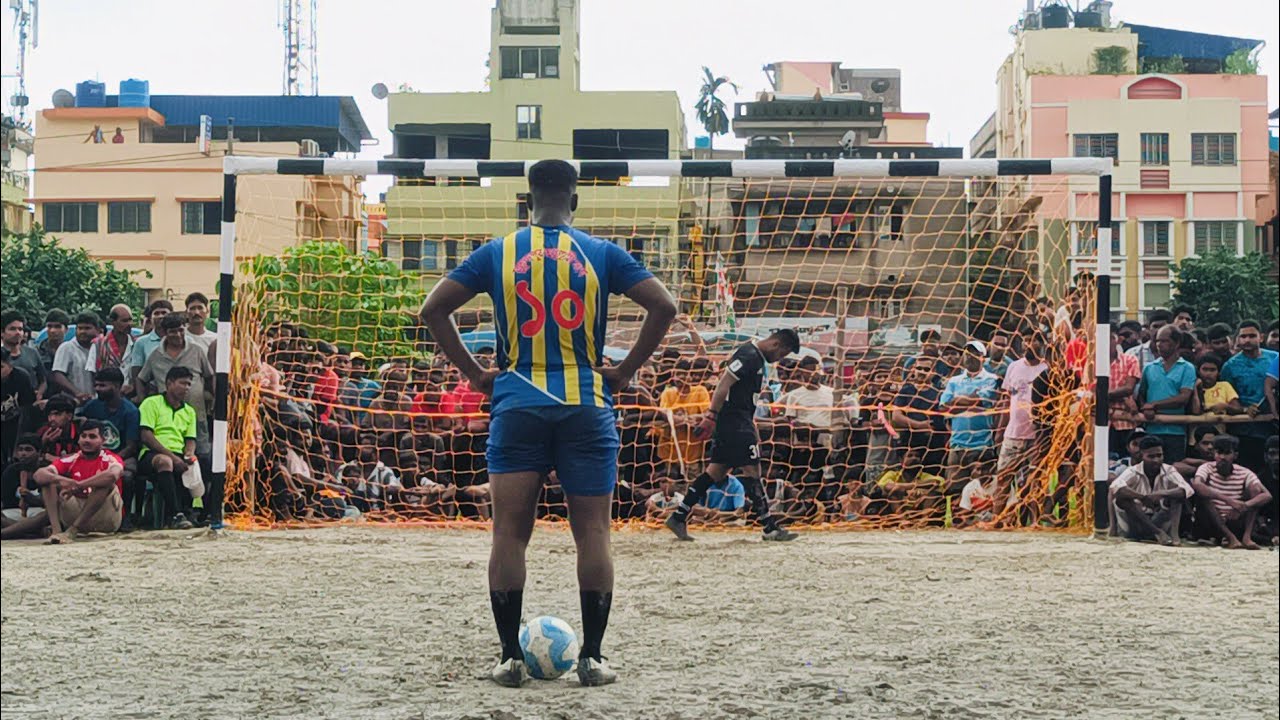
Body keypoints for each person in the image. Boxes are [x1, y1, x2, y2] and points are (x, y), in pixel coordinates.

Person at [420, 159, 677, 687]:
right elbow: (664, 306)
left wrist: (477, 375)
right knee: (594, 534)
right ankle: (594, 659)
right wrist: (625, 372)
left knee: (509, 535)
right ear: (575, 199)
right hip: (586, 404)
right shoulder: (602, 253)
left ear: (527, 198)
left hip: (517, 404)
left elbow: (433, 310)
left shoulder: (499, 252)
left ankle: (510, 658)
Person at [664, 329, 802, 543]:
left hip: (739, 421)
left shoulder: (756, 358)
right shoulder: (748, 355)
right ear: (776, 344)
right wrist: (711, 415)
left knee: (716, 471)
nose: (779, 360)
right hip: (734, 422)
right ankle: (769, 528)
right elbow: (723, 383)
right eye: (782, 354)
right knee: (752, 470)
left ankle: (678, 516)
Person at [19, 421, 124, 544]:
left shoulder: (111, 458)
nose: (86, 440)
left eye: (92, 436)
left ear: (103, 440)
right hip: (74, 512)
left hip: (105, 519)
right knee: (48, 481)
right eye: (83, 436)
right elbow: (39, 475)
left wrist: (79, 485)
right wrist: (66, 481)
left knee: (105, 483)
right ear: (78, 440)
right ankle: (56, 531)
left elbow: (112, 475)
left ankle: (74, 530)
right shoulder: (72, 458)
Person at [77, 367, 141, 531]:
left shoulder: (131, 411)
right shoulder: (92, 407)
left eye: (103, 386)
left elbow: (131, 446)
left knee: (126, 476)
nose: (98, 389)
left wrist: (112, 461)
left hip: (122, 455)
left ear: (117, 386)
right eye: (96, 385)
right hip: (92, 454)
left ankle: (124, 516)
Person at [993, 328, 1048, 515]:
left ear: (1041, 344)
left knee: (1034, 481)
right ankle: (996, 519)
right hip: (1013, 433)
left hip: (1037, 435)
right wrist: (1000, 429)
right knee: (1003, 478)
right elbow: (1006, 400)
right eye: (1025, 340)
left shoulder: (1047, 369)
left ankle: (1034, 521)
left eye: (1033, 340)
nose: (1028, 344)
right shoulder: (1013, 367)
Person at [138, 366, 199, 530]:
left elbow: (190, 439)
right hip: (152, 454)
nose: (186, 388)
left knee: (204, 464)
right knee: (165, 462)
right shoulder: (151, 403)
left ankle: (198, 512)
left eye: (188, 384)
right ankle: (176, 515)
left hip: (179, 454)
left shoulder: (189, 411)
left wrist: (189, 454)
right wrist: (173, 457)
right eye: (183, 383)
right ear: (169, 383)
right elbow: (146, 436)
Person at [940, 341, 1000, 505]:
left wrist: (957, 401)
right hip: (957, 444)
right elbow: (944, 407)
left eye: (974, 353)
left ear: (982, 358)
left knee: (980, 491)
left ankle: (977, 522)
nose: (969, 356)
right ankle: (958, 524)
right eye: (966, 352)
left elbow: (983, 402)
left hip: (982, 444)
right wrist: (969, 400)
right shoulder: (954, 381)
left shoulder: (992, 379)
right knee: (954, 490)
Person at [1191, 435, 1272, 549]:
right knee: (1204, 495)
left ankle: (1246, 537)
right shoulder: (1206, 468)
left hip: (1234, 519)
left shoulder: (1244, 472)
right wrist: (1229, 501)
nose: (1222, 457)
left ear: (1235, 455)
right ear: (1214, 454)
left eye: (1227, 453)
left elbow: (1266, 495)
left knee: (1255, 490)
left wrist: (1243, 505)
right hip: (1210, 519)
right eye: (1219, 453)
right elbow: (1197, 484)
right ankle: (1230, 538)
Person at [1220, 320, 1280, 473]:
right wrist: (1245, 409)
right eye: (1243, 336)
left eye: (1252, 336)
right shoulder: (1230, 366)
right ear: (1237, 340)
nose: (1247, 340)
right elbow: (1227, 397)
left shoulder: (1275, 358)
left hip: (1272, 427)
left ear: (1261, 337)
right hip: (1243, 429)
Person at [1109, 435, 1192, 546]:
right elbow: (1115, 487)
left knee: (1177, 496)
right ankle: (1157, 532)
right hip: (1136, 524)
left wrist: (1161, 493)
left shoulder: (1169, 470)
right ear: (1142, 456)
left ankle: (1174, 535)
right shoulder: (1133, 471)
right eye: (1151, 456)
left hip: (1158, 520)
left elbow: (1187, 490)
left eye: (1159, 455)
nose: (1156, 460)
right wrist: (1143, 497)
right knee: (1122, 498)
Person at [1137, 325, 1195, 463]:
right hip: (1152, 428)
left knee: (1173, 471)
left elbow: (1184, 397)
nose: (1159, 345)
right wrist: (1145, 407)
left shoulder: (1187, 368)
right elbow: (1141, 394)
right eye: (1157, 341)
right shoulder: (1149, 368)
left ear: (1177, 343)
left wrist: (1154, 405)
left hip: (1176, 430)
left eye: (1164, 341)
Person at [126, 299, 173, 395]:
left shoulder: (180, 339)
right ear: (150, 318)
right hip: (152, 393)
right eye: (156, 313)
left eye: (164, 313)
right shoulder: (141, 342)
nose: (160, 316)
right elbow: (136, 371)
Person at [50, 311, 100, 402]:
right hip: (73, 403)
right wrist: (77, 393)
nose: (82, 332)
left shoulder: (101, 348)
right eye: (80, 328)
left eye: (87, 328)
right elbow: (58, 375)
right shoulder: (67, 348)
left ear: (98, 330)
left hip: (97, 403)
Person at [1108, 331, 1142, 454]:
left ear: (1117, 340)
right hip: (1098, 422)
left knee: (1125, 460)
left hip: (1125, 422)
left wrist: (1102, 396)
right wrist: (1121, 396)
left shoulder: (1130, 360)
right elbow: (1089, 390)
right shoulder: (1091, 362)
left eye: (1110, 338)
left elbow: (1129, 388)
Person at [1, 353, 37, 464]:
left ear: (10, 366)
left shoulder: (21, 377)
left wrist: (19, 443)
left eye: (1, 367)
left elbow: (27, 409)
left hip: (15, 422)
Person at [1190, 353, 1243, 429]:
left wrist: (1226, 406)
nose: (1208, 373)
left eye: (1212, 370)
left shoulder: (1224, 386)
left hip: (1219, 433)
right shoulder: (1191, 386)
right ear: (1198, 371)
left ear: (1218, 372)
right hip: (1196, 433)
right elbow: (1196, 411)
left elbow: (1238, 409)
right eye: (1205, 369)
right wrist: (1196, 389)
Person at [3, 309, 46, 399]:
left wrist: (39, 394)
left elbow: (43, 380)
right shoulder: (2, 357)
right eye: (12, 329)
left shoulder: (32, 353)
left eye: (20, 329)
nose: (18, 333)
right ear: (2, 332)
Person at [86, 304, 135, 374]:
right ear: (112, 322)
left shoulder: (136, 344)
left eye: (130, 320)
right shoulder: (98, 344)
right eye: (124, 321)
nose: (129, 324)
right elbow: (91, 372)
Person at [35, 308, 71, 377]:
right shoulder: (36, 352)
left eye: (57, 327)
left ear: (66, 329)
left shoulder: (71, 351)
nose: (52, 330)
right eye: (49, 326)